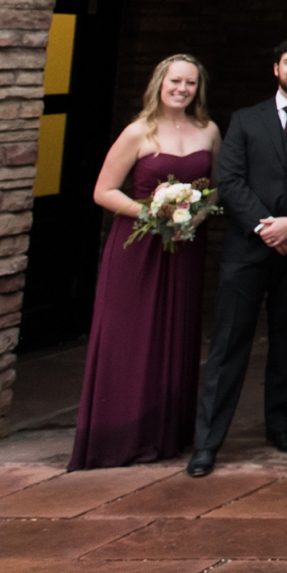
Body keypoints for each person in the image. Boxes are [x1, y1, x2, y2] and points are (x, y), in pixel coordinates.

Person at [189, 38, 287, 477]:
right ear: (275, 67)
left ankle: (279, 426)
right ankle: (207, 443)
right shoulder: (245, 119)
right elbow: (230, 178)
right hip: (248, 248)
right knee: (228, 345)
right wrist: (267, 225)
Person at [71, 55, 221, 470]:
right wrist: (152, 213)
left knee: (175, 331)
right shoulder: (138, 132)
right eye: (175, 81)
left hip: (184, 245)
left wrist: (194, 214)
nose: (182, 89)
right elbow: (104, 191)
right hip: (137, 246)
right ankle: (119, 435)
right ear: (160, 83)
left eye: (190, 83)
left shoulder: (209, 131)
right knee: (131, 336)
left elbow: (214, 189)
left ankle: (165, 433)